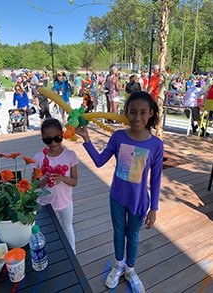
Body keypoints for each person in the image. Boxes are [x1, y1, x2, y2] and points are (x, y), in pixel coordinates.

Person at [76, 91, 163, 292]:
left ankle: (130, 269)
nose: (137, 118)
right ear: (126, 112)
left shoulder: (156, 145)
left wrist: (154, 208)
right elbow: (99, 162)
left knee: (132, 235)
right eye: (132, 112)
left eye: (143, 112)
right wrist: (87, 140)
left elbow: (156, 178)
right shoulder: (117, 137)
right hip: (116, 197)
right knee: (118, 232)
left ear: (150, 113)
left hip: (139, 201)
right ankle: (119, 263)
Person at [33, 118, 78, 253]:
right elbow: (34, 184)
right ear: (42, 138)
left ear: (62, 134)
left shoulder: (70, 155)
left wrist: (62, 178)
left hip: (65, 201)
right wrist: (44, 180)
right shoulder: (39, 158)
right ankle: (48, 252)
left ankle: (72, 252)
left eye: (57, 138)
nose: (53, 143)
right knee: (46, 229)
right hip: (45, 202)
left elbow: (74, 181)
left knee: (67, 226)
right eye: (48, 140)